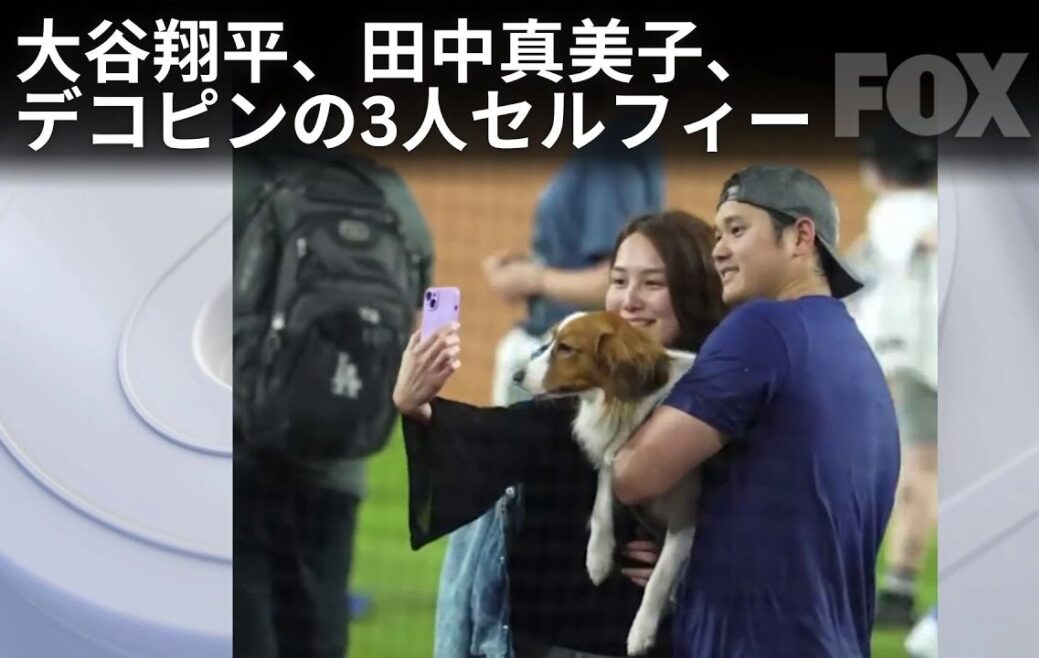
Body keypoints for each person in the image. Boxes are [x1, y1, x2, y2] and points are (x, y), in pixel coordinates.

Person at [393, 210, 727, 658]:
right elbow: (502, 439)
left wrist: (699, 568)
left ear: (694, 290)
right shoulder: (570, 395)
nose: (629, 300)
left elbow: (781, 529)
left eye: (653, 283)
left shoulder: (728, 401)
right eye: (619, 280)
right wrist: (418, 405)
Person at [610, 165, 901, 657]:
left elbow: (635, 475)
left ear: (800, 237)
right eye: (718, 233)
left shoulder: (762, 328)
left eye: (737, 230)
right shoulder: (857, 356)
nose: (718, 248)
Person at [432, 120, 666, 658]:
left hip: (569, 376)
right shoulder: (627, 146)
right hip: (573, 369)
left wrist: (533, 280)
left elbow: (610, 278)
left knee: (510, 538)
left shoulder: (612, 149)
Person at [232, 143, 436, 658]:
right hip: (341, 456)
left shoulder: (238, 180)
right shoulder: (387, 193)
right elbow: (429, 309)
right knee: (319, 631)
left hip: (239, 453)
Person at [855, 120, 939, 628]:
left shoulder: (896, 212)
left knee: (915, 469)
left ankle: (898, 591)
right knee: (917, 469)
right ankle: (897, 589)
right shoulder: (921, 211)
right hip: (917, 359)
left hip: (908, 359)